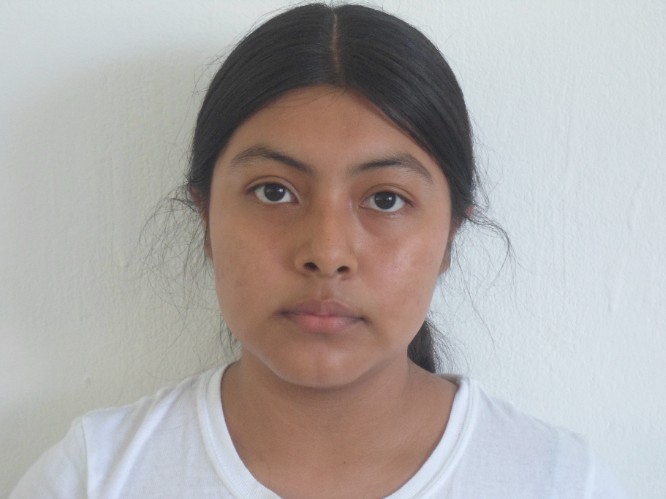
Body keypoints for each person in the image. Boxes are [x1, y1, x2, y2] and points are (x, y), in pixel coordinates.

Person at [11, 3, 626, 498]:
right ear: (206, 219)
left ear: (450, 238)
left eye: (385, 199)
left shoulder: (560, 482)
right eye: (274, 191)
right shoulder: (94, 478)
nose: (327, 252)